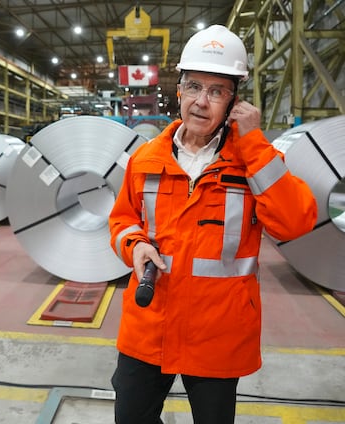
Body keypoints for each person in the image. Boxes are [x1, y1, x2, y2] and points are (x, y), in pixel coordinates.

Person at [108, 25, 317, 424]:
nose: (201, 102)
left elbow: (294, 222)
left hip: (218, 333)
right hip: (149, 325)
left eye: (216, 91)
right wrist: (135, 246)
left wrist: (254, 143)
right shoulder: (146, 159)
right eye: (193, 87)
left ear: (234, 101)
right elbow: (122, 220)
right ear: (179, 91)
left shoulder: (253, 160)